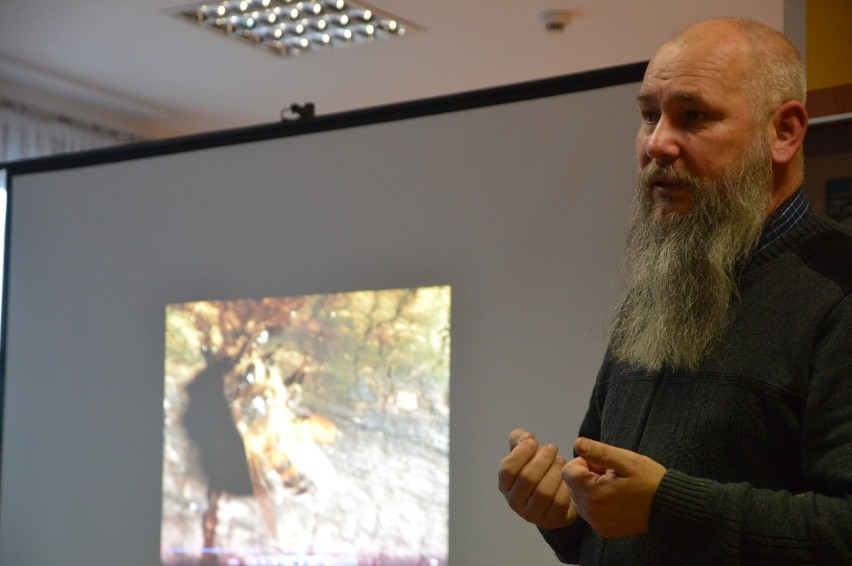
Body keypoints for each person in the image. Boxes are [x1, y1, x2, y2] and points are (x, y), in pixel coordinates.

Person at [497, 17, 852, 565]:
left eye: (694, 117)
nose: (657, 142)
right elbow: (617, 517)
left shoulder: (840, 289)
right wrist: (565, 514)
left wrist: (668, 507)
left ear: (784, 133)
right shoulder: (660, 288)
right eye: (648, 116)